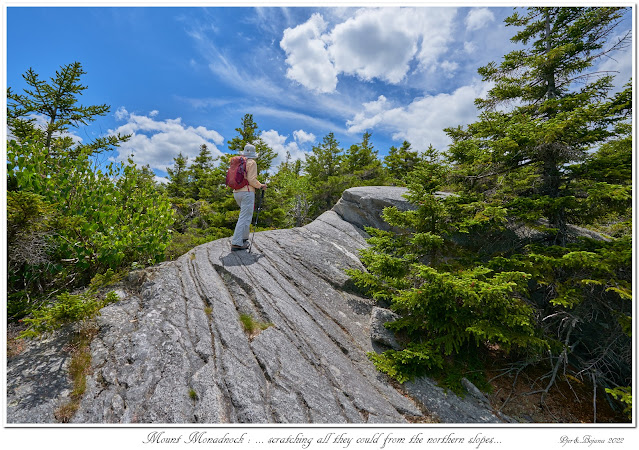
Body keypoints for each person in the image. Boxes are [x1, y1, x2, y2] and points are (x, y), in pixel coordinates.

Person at [231, 143, 267, 250]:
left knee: (246, 215)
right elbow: (251, 180)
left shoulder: (239, 162)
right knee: (244, 216)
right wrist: (261, 186)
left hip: (236, 192)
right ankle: (237, 243)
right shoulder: (252, 162)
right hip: (247, 191)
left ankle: (244, 238)